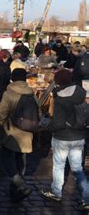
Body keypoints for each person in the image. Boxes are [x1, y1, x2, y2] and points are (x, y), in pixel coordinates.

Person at [39, 70, 89, 211]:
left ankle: (56, 192)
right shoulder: (80, 92)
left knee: (59, 165)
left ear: (58, 81)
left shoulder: (60, 98)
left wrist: (47, 125)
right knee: (78, 168)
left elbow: (58, 124)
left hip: (62, 137)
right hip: (79, 136)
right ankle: (86, 198)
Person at [0, 68, 34, 202]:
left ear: (12, 78)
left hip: (11, 131)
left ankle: (20, 185)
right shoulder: (31, 93)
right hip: (26, 133)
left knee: (7, 159)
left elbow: (1, 114)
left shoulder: (9, 93)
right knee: (20, 160)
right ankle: (15, 191)